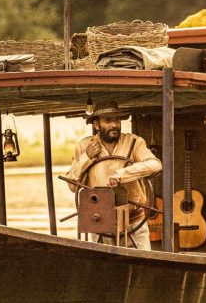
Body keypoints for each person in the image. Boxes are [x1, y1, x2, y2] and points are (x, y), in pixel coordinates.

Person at [65, 103, 162, 249]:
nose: (114, 124)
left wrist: (122, 175)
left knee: (144, 262)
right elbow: (73, 185)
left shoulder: (133, 142)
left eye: (117, 120)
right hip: (100, 222)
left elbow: (156, 165)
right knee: (105, 268)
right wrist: (87, 157)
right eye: (108, 121)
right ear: (96, 124)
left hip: (134, 221)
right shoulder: (84, 146)